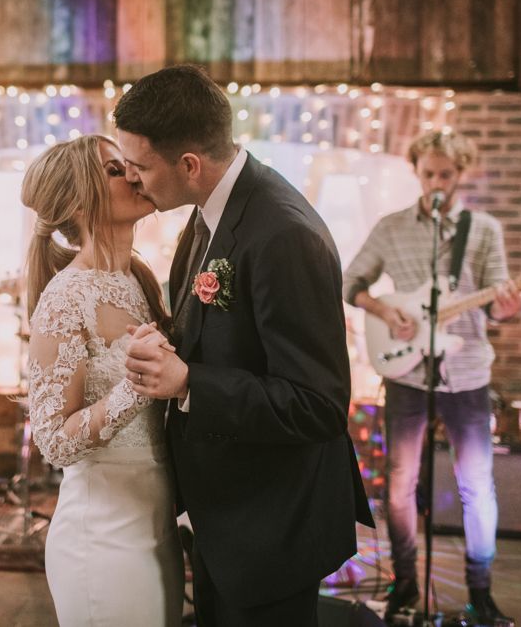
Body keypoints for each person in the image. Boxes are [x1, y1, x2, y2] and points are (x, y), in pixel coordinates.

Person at [116, 64, 374, 627]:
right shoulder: (211, 213)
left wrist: (187, 382)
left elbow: (319, 405)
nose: (132, 179)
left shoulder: (283, 234)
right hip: (226, 516)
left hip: (271, 525)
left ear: (189, 164)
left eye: (139, 166)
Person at [343, 130, 521, 625]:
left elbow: (499, 299)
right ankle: (405, 581)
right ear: (417, 173)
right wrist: (386, 310)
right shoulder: (393, 227)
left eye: (446, 174)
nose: (437, 182)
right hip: (406, 371)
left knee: (477, 486)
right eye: (429, 174)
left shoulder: (483, 229)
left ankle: (480, 590)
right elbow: (351, 283)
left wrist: (507, 307)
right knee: (400, 483)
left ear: (460, 174)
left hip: (466, 373)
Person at [22, 135, 184, 627]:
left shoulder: (139, 279)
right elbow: (53, 442)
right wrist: (137, 385)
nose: (134, 173)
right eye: (116, 171)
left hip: (157, 524)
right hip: (103, 537)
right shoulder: (66, 297)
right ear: (78, 200)